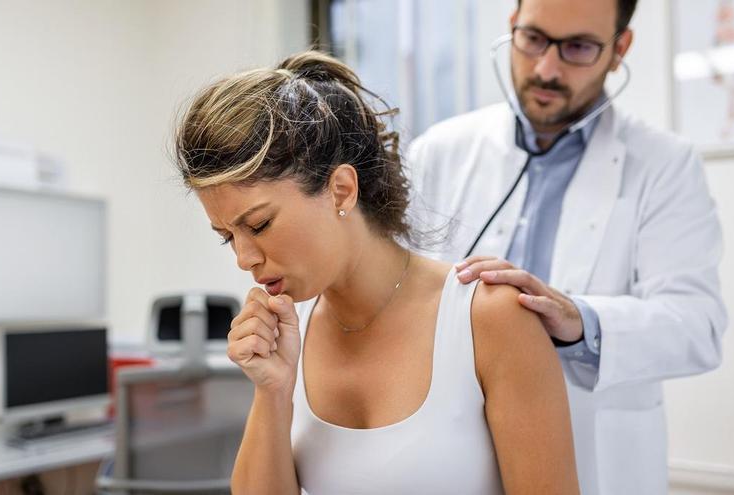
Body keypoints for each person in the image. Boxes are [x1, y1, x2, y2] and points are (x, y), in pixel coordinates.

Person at [173, 51, 579, 494]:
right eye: (228, 236)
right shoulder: (287, 336)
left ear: (341, 191)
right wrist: (272, 392)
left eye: (259, 225)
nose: (244, 258)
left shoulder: (489, 318)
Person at [406, 0, 728, 493]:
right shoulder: (439, 151)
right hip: (451, 453)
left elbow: (698, 325)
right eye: (533, 39)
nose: (547, 69)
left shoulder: (665, 165)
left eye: (577, 47)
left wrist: (580, 320)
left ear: (619, 49)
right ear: (511, 26)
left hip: (597, 459)